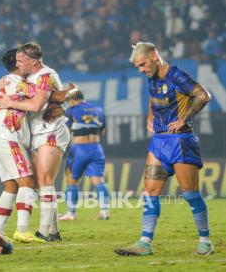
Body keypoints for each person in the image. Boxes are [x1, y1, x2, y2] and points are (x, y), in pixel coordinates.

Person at [114, 42, 213, 256]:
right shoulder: (152, 78)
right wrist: (150, 118)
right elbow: (153, 99)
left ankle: (205, 241)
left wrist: (183, 119)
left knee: (190, 194)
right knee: (150, 191)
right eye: (138, 67)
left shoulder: (177, 76)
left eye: (142, 65)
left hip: (180, 143)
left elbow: (203, 96)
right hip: (159, 144)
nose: (141, 70)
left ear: (154, 55)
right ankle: (145, 242)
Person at [0, 42, 75, 242]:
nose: (18, 64)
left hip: (51, 132)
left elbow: (36, 104)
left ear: (33, 61)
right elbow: (51, 96)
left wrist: (9, 102)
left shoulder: (46, 75)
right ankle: (54, 231)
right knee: (41, 183)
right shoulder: (31, 77)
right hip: (38, 133)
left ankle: (43, 231)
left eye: (21, 61)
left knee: (45, 181)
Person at [0, 48, 40, 243]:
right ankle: (23, 230)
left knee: (11, 187)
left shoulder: (6, 81)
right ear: (18, 64)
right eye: (24, 59)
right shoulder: (19, 84)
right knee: (27, 183)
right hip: (7, 138)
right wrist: (69, 92)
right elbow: (45, 97)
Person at [59, 90, 110, 221]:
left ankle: (71, 213)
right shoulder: (98, 109)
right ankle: (104, 212)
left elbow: (66, 130)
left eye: (69, 101)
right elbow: (103, 131)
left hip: (79, 150)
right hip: (96, 148)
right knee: (98, 181)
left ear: (73, 99)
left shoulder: (72, 110)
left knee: (71, 180)